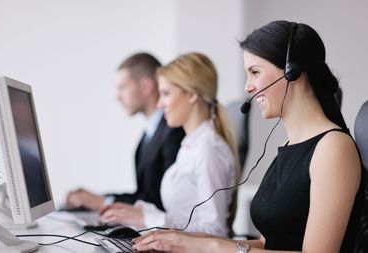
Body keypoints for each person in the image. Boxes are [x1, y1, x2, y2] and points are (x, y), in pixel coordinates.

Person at [132, 21, 366, 253]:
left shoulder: (334, 149)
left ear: (291, 72)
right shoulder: (289, 146)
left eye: (255, 72)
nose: (248, 87)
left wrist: (211, 246)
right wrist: (186, 241)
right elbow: (268, 244)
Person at [99, 52, 240, 237]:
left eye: (165, 93)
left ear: (191, 95)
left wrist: (148, 220)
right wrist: (141, 214)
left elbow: (215, 232)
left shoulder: (208, 149)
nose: (159, 103)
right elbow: (182, 217)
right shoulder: (190, 145)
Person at [65, 53, 185, 211]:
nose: (117, 97)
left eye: (122, 87)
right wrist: (98, 199)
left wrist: (103, 203)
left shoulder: (174, 132)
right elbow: (143, 194)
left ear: (145, 86)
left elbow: (163, 203)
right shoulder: (150, 132)